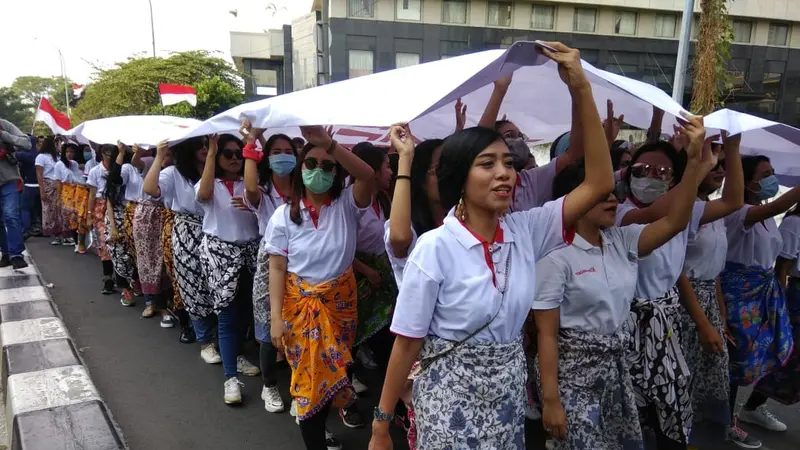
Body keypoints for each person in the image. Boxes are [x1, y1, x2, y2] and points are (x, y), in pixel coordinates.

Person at [369, 41, 615, 450]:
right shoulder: (435, 248)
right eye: (487, 164)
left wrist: (581, 89)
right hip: (448, 404)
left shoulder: (526, 230)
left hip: (506, 402)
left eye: (508, 163)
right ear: (459, 178)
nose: (505, 173)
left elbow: (600, 183)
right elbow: (407, 341)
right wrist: (381, 425)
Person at [533, 112, 711, 450]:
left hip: (617, 370)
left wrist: (692, 162)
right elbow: (547, 334)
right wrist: (551, 400)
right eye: (602, 196)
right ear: (574, 203)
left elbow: (674, 222)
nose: (613, 200)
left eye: (613, 193)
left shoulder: (621, 240)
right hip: (574, 378)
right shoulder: (556, 259)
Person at [265, 125, 375, 450]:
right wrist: (274, 318)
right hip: (299, 312)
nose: (319, 170)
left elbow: (367, 176)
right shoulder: (283, 216)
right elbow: (277, 267)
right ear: (301, 169)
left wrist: (329, 145)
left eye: (327, 165)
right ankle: (313, 439)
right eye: (311, 163)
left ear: (336, 171)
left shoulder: (346, 204)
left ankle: (318, 422)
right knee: (309, 381)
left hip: (340, 309)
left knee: (335, 371)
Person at [675, 136, 755, 448]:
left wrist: (718, 316)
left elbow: (715, 271)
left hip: (707, 301)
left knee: (709, 381)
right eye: (714, 166)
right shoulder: (684, 210)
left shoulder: (712, 211)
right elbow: (677, 270)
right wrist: (703, 322)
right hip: (686, 307)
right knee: (687, 381)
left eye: (723, 167)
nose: (720, 172)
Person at [722, 156, 800, 435]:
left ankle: (739, 412)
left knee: (751, 355)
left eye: (773, 173)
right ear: (745, 179)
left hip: (760, 294)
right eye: (765, 174)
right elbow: (781, 205)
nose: (771, 180)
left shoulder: (763, 213)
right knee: (733, 359)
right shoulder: (737, 213)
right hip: (737, 295)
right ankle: (724, 421)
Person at [195, 133, 261, 404]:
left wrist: (253, 145)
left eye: (238, 153)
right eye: (228, 154)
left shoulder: (251, 185)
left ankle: (236, 354)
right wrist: (211, 152)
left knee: (247, 312)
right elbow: (203, 194)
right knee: (226, 316)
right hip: (220, 255)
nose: (234, 158)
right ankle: (230, 378)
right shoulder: (210, 184)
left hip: (251, 254)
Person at [240, 127, 295, 414]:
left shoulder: (304, 188)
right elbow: (249, 187)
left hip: (300, 262)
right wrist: (251, 144)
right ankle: (269, 385)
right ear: (267, 158)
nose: (283, 157)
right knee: (266, 327)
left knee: (298, 325)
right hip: (270, 262)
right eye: (276, 153)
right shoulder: (263, 193)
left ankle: (301, 389)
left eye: (289, 152)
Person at [144, 138, 211, 346]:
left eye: (207, 145)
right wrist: (159, 156)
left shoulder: (215, 170)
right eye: (200, 145)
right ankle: (194, 331)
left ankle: (215, 334)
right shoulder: (174, 173)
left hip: (212, 230)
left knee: (212, 285)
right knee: (188, 281)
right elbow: (150, 189)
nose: (204, 149)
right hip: (185, 231)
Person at [132, 143, 174, 328]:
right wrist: (150, 154)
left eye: (170, 153)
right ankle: (152, 303)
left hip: (165, 215)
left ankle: (165, 303)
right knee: (147, 261)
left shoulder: (177, 170)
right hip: (146, 215)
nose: (167, 157)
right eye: (165, 154)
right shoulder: (152, 161)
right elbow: (136, 162)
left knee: (163, 262)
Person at [104, 143, 140, 307]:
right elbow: (110, 202)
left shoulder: (137, 168)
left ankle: (134, 282)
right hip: (117, 218)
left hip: (133, 216)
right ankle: (125, 288)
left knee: (132, 254)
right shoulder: (124, 169)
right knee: (119, 254)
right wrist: (113, 227)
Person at [86, 144, 115, 293]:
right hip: (100, 206)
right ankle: (108, 278)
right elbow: (92, 194)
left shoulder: (120, 168)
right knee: (104, 243)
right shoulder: (95, 171)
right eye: (107, 153)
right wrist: (89, 215)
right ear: (102, 154)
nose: (109, 156)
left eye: (112, 152)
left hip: (117, 206)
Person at [0, 124, 29, 269]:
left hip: (8, 180)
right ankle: (5, 253)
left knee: (11, 216)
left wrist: (4, 135)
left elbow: (27, 143)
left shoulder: (4, 125)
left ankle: (16, 255)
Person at [35, 136, 66, 244]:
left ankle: (65, 234)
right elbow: (39, 175)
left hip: (59, 185)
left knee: (61, 210)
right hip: (48, 185)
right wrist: (42, 191)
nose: (59, 146)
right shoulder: (41, 157)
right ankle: (56, 235)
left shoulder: (58, 157)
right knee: (50, 211)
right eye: (57, 143)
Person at [54, 143, 83, 248]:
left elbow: (78, 176)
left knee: (75, 214)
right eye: (67, 152)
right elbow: (58, 181)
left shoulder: (74, 163)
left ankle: (75, 238)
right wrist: (58, 196)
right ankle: (66, 236)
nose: (69, 154)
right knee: (67, 213)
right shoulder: (59, 164)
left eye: (71, 152)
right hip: (66, 190)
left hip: (76, 190)